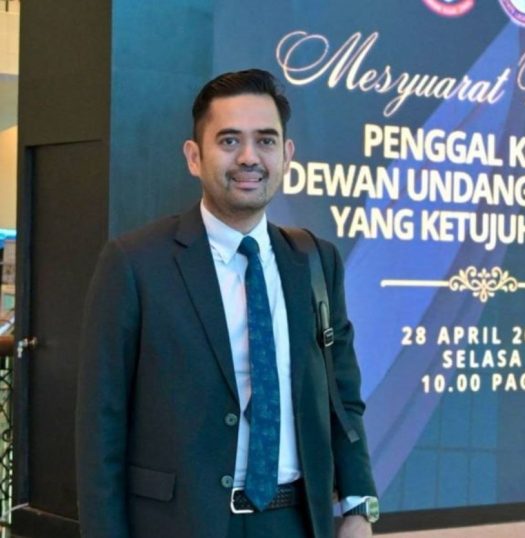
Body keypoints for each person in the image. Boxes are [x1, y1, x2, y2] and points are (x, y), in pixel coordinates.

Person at [76, 69, 378, 538]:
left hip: (296, 522)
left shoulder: (317, 261)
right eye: (230, 141)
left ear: (287, 155)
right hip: (180, 525)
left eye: (266, 141)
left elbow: (343, 396)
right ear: (194, 157)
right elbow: (101, 424)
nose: (249, 157)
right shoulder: (135, 263)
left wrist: (359, 505)